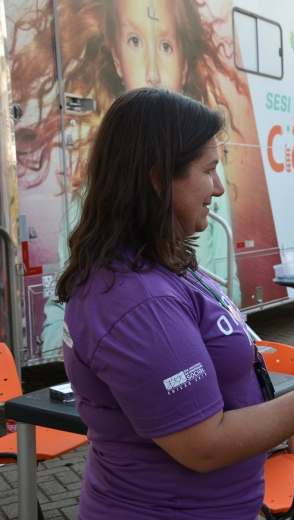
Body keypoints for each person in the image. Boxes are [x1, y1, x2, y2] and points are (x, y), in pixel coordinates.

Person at [56, 87, 294, 520]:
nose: (218, 186)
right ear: (156, 179)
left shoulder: (158, 264)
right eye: (208, 169)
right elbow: (204, 445)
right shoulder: (139, 302)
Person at [10, 0, 267, 355]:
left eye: (165, 45)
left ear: (185, 59)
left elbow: (224, 303)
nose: (151, 70)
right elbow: (64, 329)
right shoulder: (134, 295)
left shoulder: (183, 237)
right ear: (159, 179)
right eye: (134, 41)